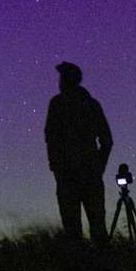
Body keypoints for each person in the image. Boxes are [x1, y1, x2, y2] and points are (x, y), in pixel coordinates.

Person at [43, 61, 112, 245]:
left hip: (71, 175)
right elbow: (107, 141)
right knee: (96, 225)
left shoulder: (58, 104)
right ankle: (100, 261)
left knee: (73, 229)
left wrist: (56, 166)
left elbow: (50, 138)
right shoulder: (91, 104)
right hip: (84, 173)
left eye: (62, 77)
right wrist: (98, 167)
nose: (59, 81)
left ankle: (82, 261)